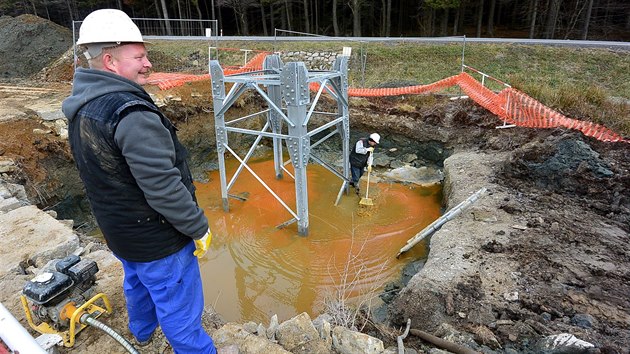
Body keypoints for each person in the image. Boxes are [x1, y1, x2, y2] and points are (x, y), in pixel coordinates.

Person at [62, 9, 216, 354]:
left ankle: (142, 333)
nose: (148, 64)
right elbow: (162, 186)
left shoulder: (82, 105)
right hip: (157, 236)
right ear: (110, 61)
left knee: (138, 281)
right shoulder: (130, 112)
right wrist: (197, 227)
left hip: (120, 230)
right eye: (140, 57)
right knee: (179, 304)